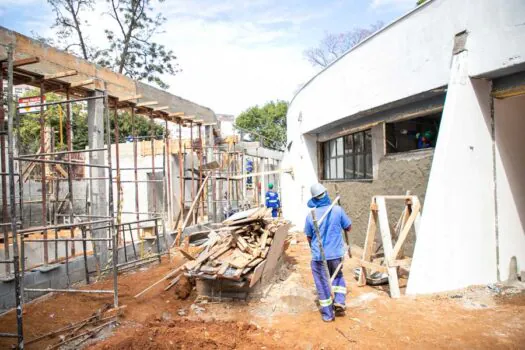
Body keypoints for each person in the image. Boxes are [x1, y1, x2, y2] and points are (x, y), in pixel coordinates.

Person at [304, 183, 352, 322]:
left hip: (319, 256)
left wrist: (314, 249)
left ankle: (328, 314)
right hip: (336, 254)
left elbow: (309, 236)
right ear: (326, 195)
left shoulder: (310, 216)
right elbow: (348, 228)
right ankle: (340, 300)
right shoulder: (337, 210)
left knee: (322, 283)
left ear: (314, 200)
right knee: (337, 276)